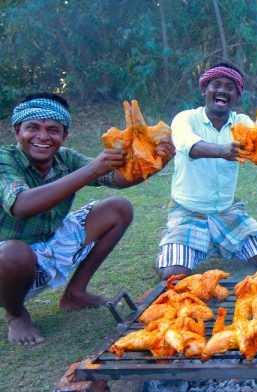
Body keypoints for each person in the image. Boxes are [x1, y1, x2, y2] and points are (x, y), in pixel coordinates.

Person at [0, 93, 175, 345]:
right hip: (7, 266)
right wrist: (93, 168)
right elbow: (21, 205)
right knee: (14, 252)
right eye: (32, 128)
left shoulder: (65, 158)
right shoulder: (5, 160)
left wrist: (158, 162)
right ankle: (16, 314)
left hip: (48, 247)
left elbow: (114, 179)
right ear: (17, 131)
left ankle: (75, 294)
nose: (43, 137)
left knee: (118, 208)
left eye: (53, 130)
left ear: (64, 135)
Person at [155, 63, 257, 280]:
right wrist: (222, 150)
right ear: (204, 89)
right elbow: (189, 146)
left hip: (227, 211)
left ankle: (210, 243)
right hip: (189, 211)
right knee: (172, 275)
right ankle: (172, 239)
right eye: (216, 85)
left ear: (236, 96)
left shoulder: (242, 123)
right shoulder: (186, 118)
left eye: (230, 87)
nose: (223, 91)